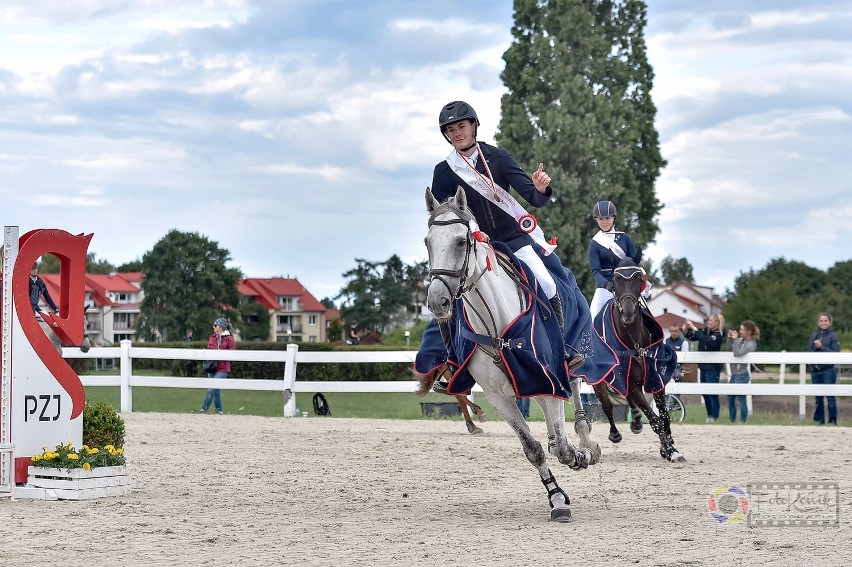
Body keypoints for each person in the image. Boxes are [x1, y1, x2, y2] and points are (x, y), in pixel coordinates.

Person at [425, 100, 588, 371]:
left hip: (514, 239)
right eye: (451, 130)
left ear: (474, 126)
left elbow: (534, 199)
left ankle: (561, 352)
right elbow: (447, 218)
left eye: (461, 127)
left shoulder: (499, 157)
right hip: (475, 244)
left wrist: (541, 188)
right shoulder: (444, 171)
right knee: (444, 288)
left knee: (547, 284)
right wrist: (474, 236)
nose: (457, 133)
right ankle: (454, 359)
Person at [588, 200, 642, 318]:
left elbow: (634, 264)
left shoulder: (624, 238)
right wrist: (606, 284)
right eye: (600, 219)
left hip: (627, 285)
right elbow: (595, 271)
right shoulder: (595, 243)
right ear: (596, 219)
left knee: (646, 313)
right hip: (606, 287)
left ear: (614, 218)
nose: (604, 222)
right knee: (592, 317)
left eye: (607, 218)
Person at [684, 314, 725, 423]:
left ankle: (715, 417)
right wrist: (686, 331)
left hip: (713, 368)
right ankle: (710, 415)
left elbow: (707, 341)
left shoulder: (718, 335)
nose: (708, 322)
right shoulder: (705, 331)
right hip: (703, 367)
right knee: (705, 392)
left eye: (711, 321)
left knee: (712, 392)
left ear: (717, 323)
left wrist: (694, 328)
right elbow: (694, 338)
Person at [808, 312, 840, 425]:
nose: (823, 323)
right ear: (818, 322)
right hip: (815, 371)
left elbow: (836, 353)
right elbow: (809, 352)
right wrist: (816, 348)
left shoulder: (833, 336)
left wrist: (821, 347)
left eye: (825, 320)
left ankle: (832, 419)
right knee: (818, 398)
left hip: (828, 370)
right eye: (821, 321)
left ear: (830, 322)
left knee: (830, 397)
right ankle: (819, 420)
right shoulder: (814, 335)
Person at [199, 318, 236, 415]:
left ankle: (204, 409)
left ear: (221, 327)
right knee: (215, 389)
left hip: (223, 368)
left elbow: (232, 354)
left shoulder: (230, 339)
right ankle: (219, 411)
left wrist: (221, 353)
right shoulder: (211, 338)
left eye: (215, 325)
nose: (213, 327)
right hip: (212, 367)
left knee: (213, 387)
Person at [726, 320, 759, 423]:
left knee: (741, 400)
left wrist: (735, 341)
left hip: (742, 374)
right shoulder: (740, 340)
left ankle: (742, 422)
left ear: (748, 331)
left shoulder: (751, 344)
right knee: (730, 399)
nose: (740, 331)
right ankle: (732, 421)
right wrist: (729, 339)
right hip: (734, 374)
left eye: (742, 329)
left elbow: (738, 353)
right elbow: (729, 350)